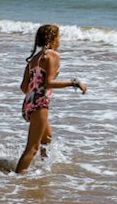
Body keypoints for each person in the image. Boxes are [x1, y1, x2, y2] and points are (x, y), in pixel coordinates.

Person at [16, 23, 87, 173]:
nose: (60, 40)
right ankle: (16, 179)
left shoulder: (33, 60)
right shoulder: (52, 55)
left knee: (46, 138)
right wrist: (74, 83)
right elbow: (49, 83)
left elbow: (23, 87)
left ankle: (42, 168)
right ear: (53, 39)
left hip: (29, 103)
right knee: (32, 148)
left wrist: (34, 93)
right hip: (40, 102)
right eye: (59, 37)